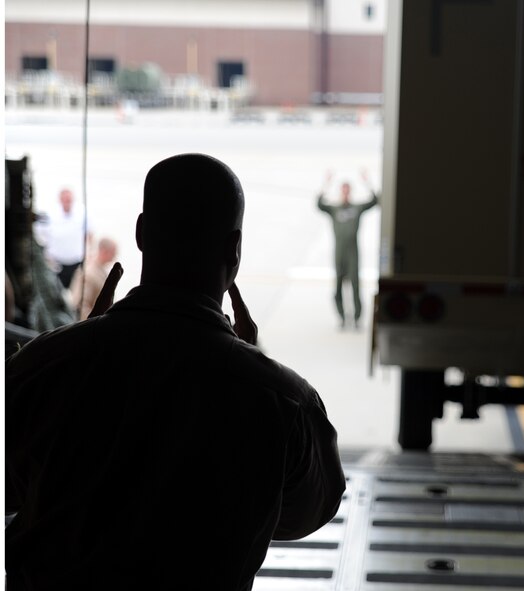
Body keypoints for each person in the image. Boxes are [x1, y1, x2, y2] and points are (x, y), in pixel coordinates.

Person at [6, 154, 346, 590]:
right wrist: (251, 359)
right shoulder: (281, 399)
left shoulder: (44, 368)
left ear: (142, 233)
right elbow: (305, 512)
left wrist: (79, 346)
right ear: (234, 249)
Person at [317, 169, 379, 328]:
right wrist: (326, 183)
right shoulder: (334, 209)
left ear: (350, 191)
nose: (345, 193)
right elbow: (318, 204)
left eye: (347, 190)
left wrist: (367, 181)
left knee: (355, 285)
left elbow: (374, 200)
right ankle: (342, 317)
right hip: (339, 252)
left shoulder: (356, 208)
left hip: (353, 252)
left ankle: (357, 317)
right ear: (340, 192)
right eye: (343, 191)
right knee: (338, 285)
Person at [35, 188, 92, 288]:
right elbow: (39, 234)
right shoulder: (50, 214)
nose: (67, 203)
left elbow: (89, 234)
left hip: (77, 262)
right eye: (65, 200)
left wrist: (88, 254)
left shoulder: (82, 213)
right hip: (56, 263)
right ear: (60, 200)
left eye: (69, 200)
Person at [69, 236, 118, 320]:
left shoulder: (100, 270)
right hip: (91, 325)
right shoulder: (89, 272)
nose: (114, 256)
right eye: (113, 253)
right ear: (104, 251)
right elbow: (81, 305)